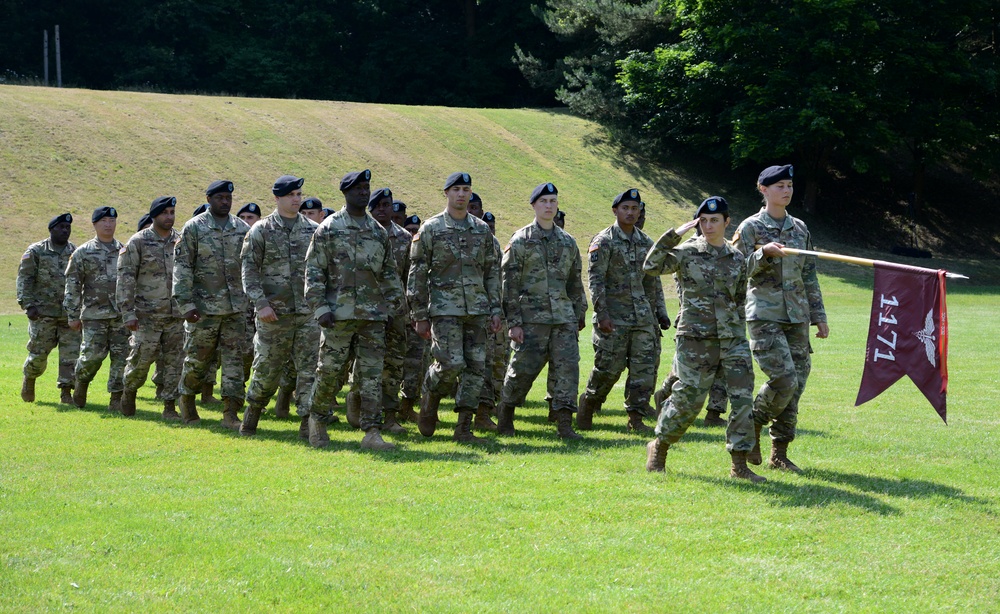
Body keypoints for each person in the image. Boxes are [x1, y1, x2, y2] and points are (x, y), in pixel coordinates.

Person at [643, 196, 764, 482]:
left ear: (726, 222)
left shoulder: (736, 259)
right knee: (689, 400)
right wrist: (673, 236)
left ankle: (739, 464)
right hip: (695, 338)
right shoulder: (686, 252)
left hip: (731, 338)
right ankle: (659, 446)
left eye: (715, 221)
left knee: (742, 399)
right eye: (704, 221)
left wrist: (738, 330)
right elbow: (651, 266)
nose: (709, 226)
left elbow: (739, 297)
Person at [733, 164, 828, 472]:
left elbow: (809, 276)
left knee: (796, 384)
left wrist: (819, 316)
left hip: (797, 316)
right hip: (765, 314)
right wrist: (764, 254)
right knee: (783, 379)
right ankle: (753, 424)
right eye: (779, 186)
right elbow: (733, 269)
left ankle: (780, 454)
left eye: (789, 185)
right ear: (763, 190)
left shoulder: (800, 229)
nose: (786, 191)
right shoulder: (749, 227)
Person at [304, 169, 404, 451]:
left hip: (373, 316)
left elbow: (388, 274)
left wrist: (397, 307)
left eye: (366, 187)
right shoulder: (329, 228)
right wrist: (320, 307)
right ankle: (317, 420)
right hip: (338, 316)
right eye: (357, 188)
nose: (363, 192)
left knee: (372, 376)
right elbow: (313, 272)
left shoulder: (377, 231)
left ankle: (372, 431)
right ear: (345, 193)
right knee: (330, 372)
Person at [407, 172, 502, 444]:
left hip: (477, 310)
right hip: (444, 309)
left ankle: (464, 427)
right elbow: (417, 274)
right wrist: (419, 315)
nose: (461, 194)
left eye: (466, 189)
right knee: (451, 363)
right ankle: (431, 396)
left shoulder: (481, 230)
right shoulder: (431, 228)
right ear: (446, 193)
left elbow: (492, 272)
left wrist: (495, 309)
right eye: (456, 189)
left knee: (475, 368)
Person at [495, 182, 587, 439]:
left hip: (563, 319)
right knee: (521, 371)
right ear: (534, 205)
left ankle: (564, 425)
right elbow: (509, 285)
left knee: (567, 371)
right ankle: (506, 415)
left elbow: (575, 283)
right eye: (544, 201)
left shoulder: (568, 242)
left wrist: (578, 314)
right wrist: (513, 322)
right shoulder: (520, 240)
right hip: (531, 320)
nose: (549, 206)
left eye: (553, 201)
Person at [578, 189, 670, 433]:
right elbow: (596, 281)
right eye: (625, 208)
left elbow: (652, 281)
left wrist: (658, 312)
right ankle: (589, 403)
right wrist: (602, 314)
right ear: (615, 210)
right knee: (608, 368)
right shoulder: (603, 241)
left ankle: (636, 417)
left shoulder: (647, 243)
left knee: (644, 370)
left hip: (642, 318)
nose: (630, 212)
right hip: (614, 318)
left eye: (635, 208)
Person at [239, 175, 321, 437]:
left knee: (309, 370)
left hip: (307, 314)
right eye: (291, 195)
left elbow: (320, 270)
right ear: (277, 198)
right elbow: (248, 270)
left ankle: (307, 424)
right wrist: (261, 304)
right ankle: (252, 414)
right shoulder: (261, 230)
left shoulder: (312, 229)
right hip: (274, 315)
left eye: (299, 194)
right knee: (267, 370)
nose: (297, 199)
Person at [172, 180, 251, 428]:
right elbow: (182, 267)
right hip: (203, 309)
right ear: (209, 199)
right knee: (198, 361)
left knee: (234, 363)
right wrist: (186, 304)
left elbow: (248, 266)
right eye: (219, 198)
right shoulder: (194, 228)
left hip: (235, 308)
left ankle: (230, 413)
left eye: (228, 198)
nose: (225, 202)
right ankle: (187, 400)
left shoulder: (240, 228)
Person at [117, 196, 184, 419]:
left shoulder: (181, 241)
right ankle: (129, 392)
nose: (170, 217)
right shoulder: (138, 242)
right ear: (154, 215)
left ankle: (169, 405)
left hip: (176, 314)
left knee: (175, 362)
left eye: (172, 212)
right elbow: (126, 280)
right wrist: (127, 312)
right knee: (141, 360)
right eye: (165, 213)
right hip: (147, 315)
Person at [64, 206, 129, 412]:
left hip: (120, 316)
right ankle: (81, 384)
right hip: (94, 315)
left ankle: (116, 398)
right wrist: (73, 315)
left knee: (121, 358)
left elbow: (131, 282)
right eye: (104, 221)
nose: (108, 225)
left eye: (112, 221)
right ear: (95, 224)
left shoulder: (124, 250)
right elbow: (72, 285)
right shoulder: (83, 252)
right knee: (92, 357)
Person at [364, 186, 412, 434]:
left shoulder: (404, 238)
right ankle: (360, 407)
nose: (383, 210)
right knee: (366, 365)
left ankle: (390, 416)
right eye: (378, 206)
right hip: (365, 312)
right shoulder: (362, 234)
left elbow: (408, 279)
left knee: (394, 365)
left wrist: (408, 312)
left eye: (388, 205)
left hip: (395, 313)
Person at [18, 213, 80, 404]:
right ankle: (30, 378)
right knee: (38, 354)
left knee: (70, 356)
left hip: (68, 314)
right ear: (51, 229)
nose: (64, 231)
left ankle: (66, 392)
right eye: (60, 227)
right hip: (42, 314)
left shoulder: (75, 252)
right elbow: (25, 278)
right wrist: (28, 305)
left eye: (67, 228)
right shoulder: (36, 251)